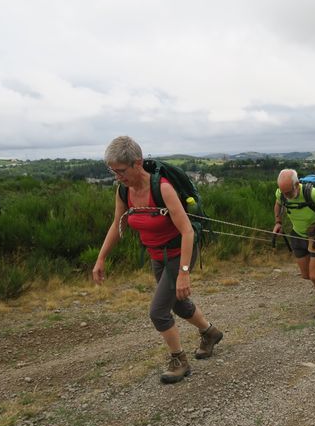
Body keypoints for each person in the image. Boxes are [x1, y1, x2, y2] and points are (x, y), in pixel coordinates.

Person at [93, 136, 223, 384]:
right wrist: (101, 259)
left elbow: (188, 231)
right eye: (113, 171)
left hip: (179, 254)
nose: (117, 176)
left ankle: (179, 361)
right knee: (179, 305)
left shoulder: (162, 189)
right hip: (157, 255)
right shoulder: (123, 191)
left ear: (136, 163)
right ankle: (210, 333)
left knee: (158, 312)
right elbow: (116, 225)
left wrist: (184, 272)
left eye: (121, 170)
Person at [273, 169, 315, 319]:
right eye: (284, 193)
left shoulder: (312, 194)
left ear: (297, 185)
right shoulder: (281, 193)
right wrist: (278, 221)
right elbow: (278, 204)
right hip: (297, 235)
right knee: (306, 275)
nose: (286, 196)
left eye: (289, 192)